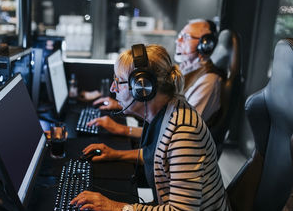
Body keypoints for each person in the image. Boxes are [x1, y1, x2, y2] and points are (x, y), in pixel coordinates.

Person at [70, 44, 234, 211]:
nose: (113, 87)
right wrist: (116, 154)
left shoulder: (183, 132)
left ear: (143, 89)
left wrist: (116, 208)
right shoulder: (167, 112)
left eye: (119, 81)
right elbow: (159, 156)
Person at [88, 19, 225, 137]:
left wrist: (122, 129)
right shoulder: (184, 68)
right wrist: (122, 103)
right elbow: (158, 106)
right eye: (179, 35)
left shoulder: (209, 81)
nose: (178, 40)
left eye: (186, 36)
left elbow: (179, 131)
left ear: (206, 44)